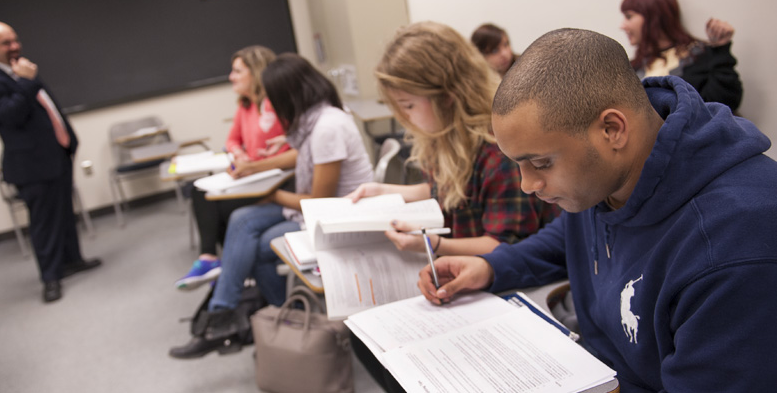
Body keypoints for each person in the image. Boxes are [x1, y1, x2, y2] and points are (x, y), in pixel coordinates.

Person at [418, 28, 777, 392]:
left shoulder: (736, 247)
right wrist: (491, 267)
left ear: (612, 129)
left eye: (541, 163)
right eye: (518, 165)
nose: (527, 185)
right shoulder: (604, 178)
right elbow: (570, 235)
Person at [348, 21, 560, 392]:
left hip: (506, 284)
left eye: (410, 105)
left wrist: (430, 244)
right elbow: (451, 190)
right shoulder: (448, 136)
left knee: (401, 356)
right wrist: (387, 190)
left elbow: (504, 244)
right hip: (464, 278)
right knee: (367, 337)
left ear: (447, 95)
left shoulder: (497, 148)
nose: (405, 117)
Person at [169, 53, 374, 358]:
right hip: (317, 209)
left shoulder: (326, 128)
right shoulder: (313, 121)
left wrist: (271, 196)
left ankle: (250, 321)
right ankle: (230, 317)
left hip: (338, 217)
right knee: (241, 219)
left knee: (256, 245)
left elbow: (321, 203)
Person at [0, 22, 100, 303]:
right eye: (6, 43)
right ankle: (50, 278)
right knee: (44, 222)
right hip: (31, 166)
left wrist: (68, 140)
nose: (14, 47)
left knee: (64, 213)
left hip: (56, 155)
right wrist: (25, 82)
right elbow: (10, 117)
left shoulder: (25, 70)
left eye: (15, 40)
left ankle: (72, 260)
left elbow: (47, 108)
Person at [180, 46, 295, 290]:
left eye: (237, 71)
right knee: (200, 192)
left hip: (277, 180)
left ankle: (226, 267)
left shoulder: (279, 104)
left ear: (255, 73)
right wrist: (239, 154)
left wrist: (253, 165)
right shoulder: (246, 106)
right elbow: (232, 140)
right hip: (252, 176)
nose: (231, 77)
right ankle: (223, 265)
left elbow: (299, 150)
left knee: (214, 207)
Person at [620, 0, 743, 112]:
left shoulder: (700, 54)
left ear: (654, 16)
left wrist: (721, 49)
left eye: (629, 16)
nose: (622, 26)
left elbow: (724, 103)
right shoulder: (631, 68)